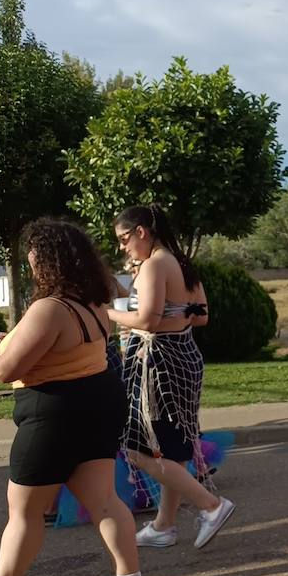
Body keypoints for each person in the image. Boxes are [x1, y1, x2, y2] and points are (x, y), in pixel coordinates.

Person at [0, 219, 147, 576]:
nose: (31, 263)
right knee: (104, 499)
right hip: (97, 404)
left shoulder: (50, 308)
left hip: (55, 414)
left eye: (34, 256)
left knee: (25, 511)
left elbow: (4, 370)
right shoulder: (92, 305)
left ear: (48, 260)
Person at [109, 206, 235, 550]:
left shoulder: (153, 265)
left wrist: (108, 313)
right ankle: (163, 525)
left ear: (141, 232)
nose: (122, 247)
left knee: (139, 448)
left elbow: (147, 320)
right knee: (173, 447)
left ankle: (211, 505)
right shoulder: (180, 263)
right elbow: (201, 316)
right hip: (184, 356)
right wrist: (175, 315)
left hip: (159, 365)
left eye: (123, 239)